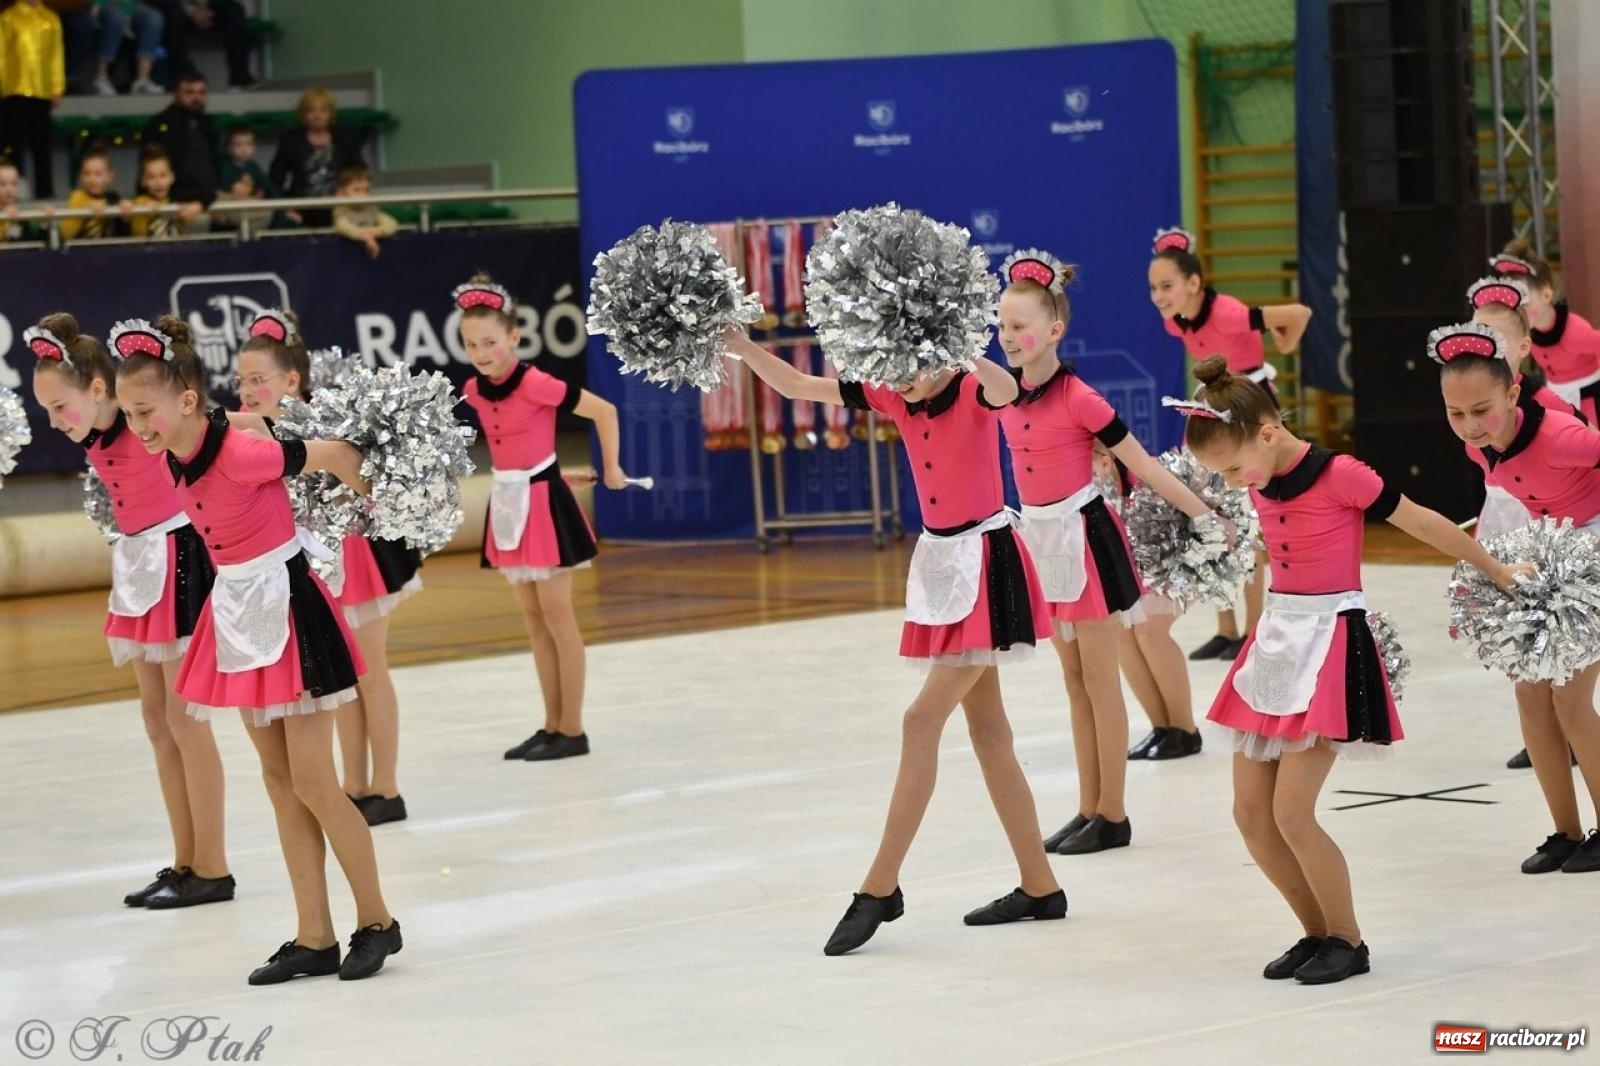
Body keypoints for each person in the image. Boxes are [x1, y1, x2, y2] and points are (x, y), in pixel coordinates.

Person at [724, 325, 1067, 956]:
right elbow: (800, 384)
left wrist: (959, 343)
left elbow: (1008, 387)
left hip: (987, 564)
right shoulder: (890, 395)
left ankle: (880, 887)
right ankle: (1040, 885)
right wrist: (745, 349)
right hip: (943, 565)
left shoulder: (970, 384)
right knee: (989, 734)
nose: (903, 379)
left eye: (913, 366)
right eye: (894, 367)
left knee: (920, 721)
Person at [1180, 354, 1516, 983]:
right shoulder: (1256, 474)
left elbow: (1422, 522)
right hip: (1277, 640)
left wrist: (1495, 570)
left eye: (1231, 469)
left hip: (1331, 643)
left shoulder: (1341, 475)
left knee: (1291, 812)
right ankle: (1316, 932)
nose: (1230, 482)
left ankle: (1349, 941)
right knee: (1249, 815)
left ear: (1270, 434)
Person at [113, 315, 402, 983]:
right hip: (239, 616)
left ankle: (379, 922)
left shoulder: (242, 452)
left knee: (314, 783)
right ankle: (313, 936)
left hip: (292, 611)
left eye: (145, 411)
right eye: (130, 413)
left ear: (186, 401)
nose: (139, 426)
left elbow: (328, 453)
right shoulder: (179, 451)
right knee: (279, 785)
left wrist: (384, 512)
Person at [994, 249, 1219, 856]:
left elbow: (1140, 463)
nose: (1008, 337)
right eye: (1002, 325)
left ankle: (1113, 815)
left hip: (1084, 540)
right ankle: (1087, 805)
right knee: (1073, 681)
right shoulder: (1002, 393)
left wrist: (1204, 514)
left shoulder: (1081, 398)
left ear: (1054, 331)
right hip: (1040, 539)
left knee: (1099, 678)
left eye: (1020, 327)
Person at [28, 312, 230, 909]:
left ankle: (213, 867)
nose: (54, 421)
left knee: (186, 721)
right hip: (139, 558)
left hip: (182, 555)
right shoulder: (92, 429)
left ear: (98, 391)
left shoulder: (136, 419)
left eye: (60, 406)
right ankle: (185, 859)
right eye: (45, 410)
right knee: (156, 719)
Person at [234, 309, 421, 826]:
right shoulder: (251, 433)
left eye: (258, 379)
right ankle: (355, 785)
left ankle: (386, 785)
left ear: (291, 380)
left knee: (371, 670)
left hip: (354, 554)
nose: (247, 390)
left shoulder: (320, 423)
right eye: (241, 380)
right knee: (341, 674)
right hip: (303, 568)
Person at [1434, 319, 1600, 876]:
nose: (1469, 426)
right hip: (1548, 554)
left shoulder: (1560, 435)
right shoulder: (1481, 449)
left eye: (1481, 410)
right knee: (1531, 698)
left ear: (1511, 392)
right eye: (1456, 414)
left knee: (1571, 701)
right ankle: (1565, 831)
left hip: (1592, 555)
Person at [457, 275, 624, 762]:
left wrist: (611, 468)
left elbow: (605, 411)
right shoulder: (472, 388)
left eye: (490, 342)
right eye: (471, 344)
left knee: (558, 617)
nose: (481, 352)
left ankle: (572, 728)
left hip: (544, 505)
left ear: (514, 337)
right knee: (533, 621)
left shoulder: (536, 383)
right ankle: (551, 725)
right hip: (507, 502)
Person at [1149, 227, 1311, 662]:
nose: (1159, 296)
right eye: (1154, 288)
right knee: (1219, 520)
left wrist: (1283, 341)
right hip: (1219, 418)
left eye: (1167, 286)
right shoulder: (1176, 321)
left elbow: (1297, 312)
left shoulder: (1231, 313)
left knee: (1254, 526)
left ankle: (1255, 628)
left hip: (1253, 415)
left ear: (1194, 284)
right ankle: (1226, 628)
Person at [1489, 238, 1600, 425]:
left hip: (1588, 397)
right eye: (1512, 302)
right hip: (1556, 397)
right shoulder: (1527, 333)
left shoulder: (1575, 332)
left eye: (1523, 302)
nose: (1517, 309)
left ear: (1546, 295)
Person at [269, 88, 364, 227]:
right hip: (302, 207)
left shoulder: (345, 138)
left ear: (331, 113)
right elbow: (275, 178)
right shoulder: (291, 140)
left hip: (340, 206)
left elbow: (359, 172)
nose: (317, 115)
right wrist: (285, 207)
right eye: (311, 110)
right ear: (303, 114)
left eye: (323, 110)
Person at [0, 0, 66, 199]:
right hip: (14, 89)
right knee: (13, 144)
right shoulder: (8, 17)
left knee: (42, 145)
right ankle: (13, 190)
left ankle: (45, 190)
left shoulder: (51, 19)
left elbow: (56, 54)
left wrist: (57, 86)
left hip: (42, 91)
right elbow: (1, 55)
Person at [139, 69, 220, 212]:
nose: (196, 98)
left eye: (201, 93)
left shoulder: (209, 125)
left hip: (210, 195)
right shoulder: (160, 125)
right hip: (176, 200)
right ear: (175, 95)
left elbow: (215, 167)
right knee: (199, 222)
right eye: (189, 93)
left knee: (258, 211)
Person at [139, 0, 255, 90]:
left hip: (197, 6)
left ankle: (239, 79)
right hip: (168, 7)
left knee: (233, 8)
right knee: (173, 11)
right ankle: (180, 80)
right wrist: (191, 12)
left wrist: (203, 7)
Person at [58, 143, 131, 241]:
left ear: (110, 176)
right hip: (81, 252)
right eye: (87, 173)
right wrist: (87, 208)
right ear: (81, 177)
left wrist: (126, 216)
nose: (92, 179)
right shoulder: (77, 196)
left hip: (109, 252)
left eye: (98, 174)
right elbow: (65, 234)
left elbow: (124, 235)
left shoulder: (113, 198)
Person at [129, 144, 201, 237]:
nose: (158, 183)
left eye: (163, 175)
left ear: (172, 177)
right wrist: (146, 207)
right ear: (142, 181)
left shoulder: (178, 200)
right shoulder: (139, 202)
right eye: (151, 177)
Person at [331, 165, 395, 257]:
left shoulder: (371, 209)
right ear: (340, 193)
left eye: (366, 190)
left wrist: (375, 232)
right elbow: (342, 226)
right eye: (357, 190)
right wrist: (367, 238)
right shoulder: (340, 209)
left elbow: (391, 224)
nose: (363, 195)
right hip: (345, 256)